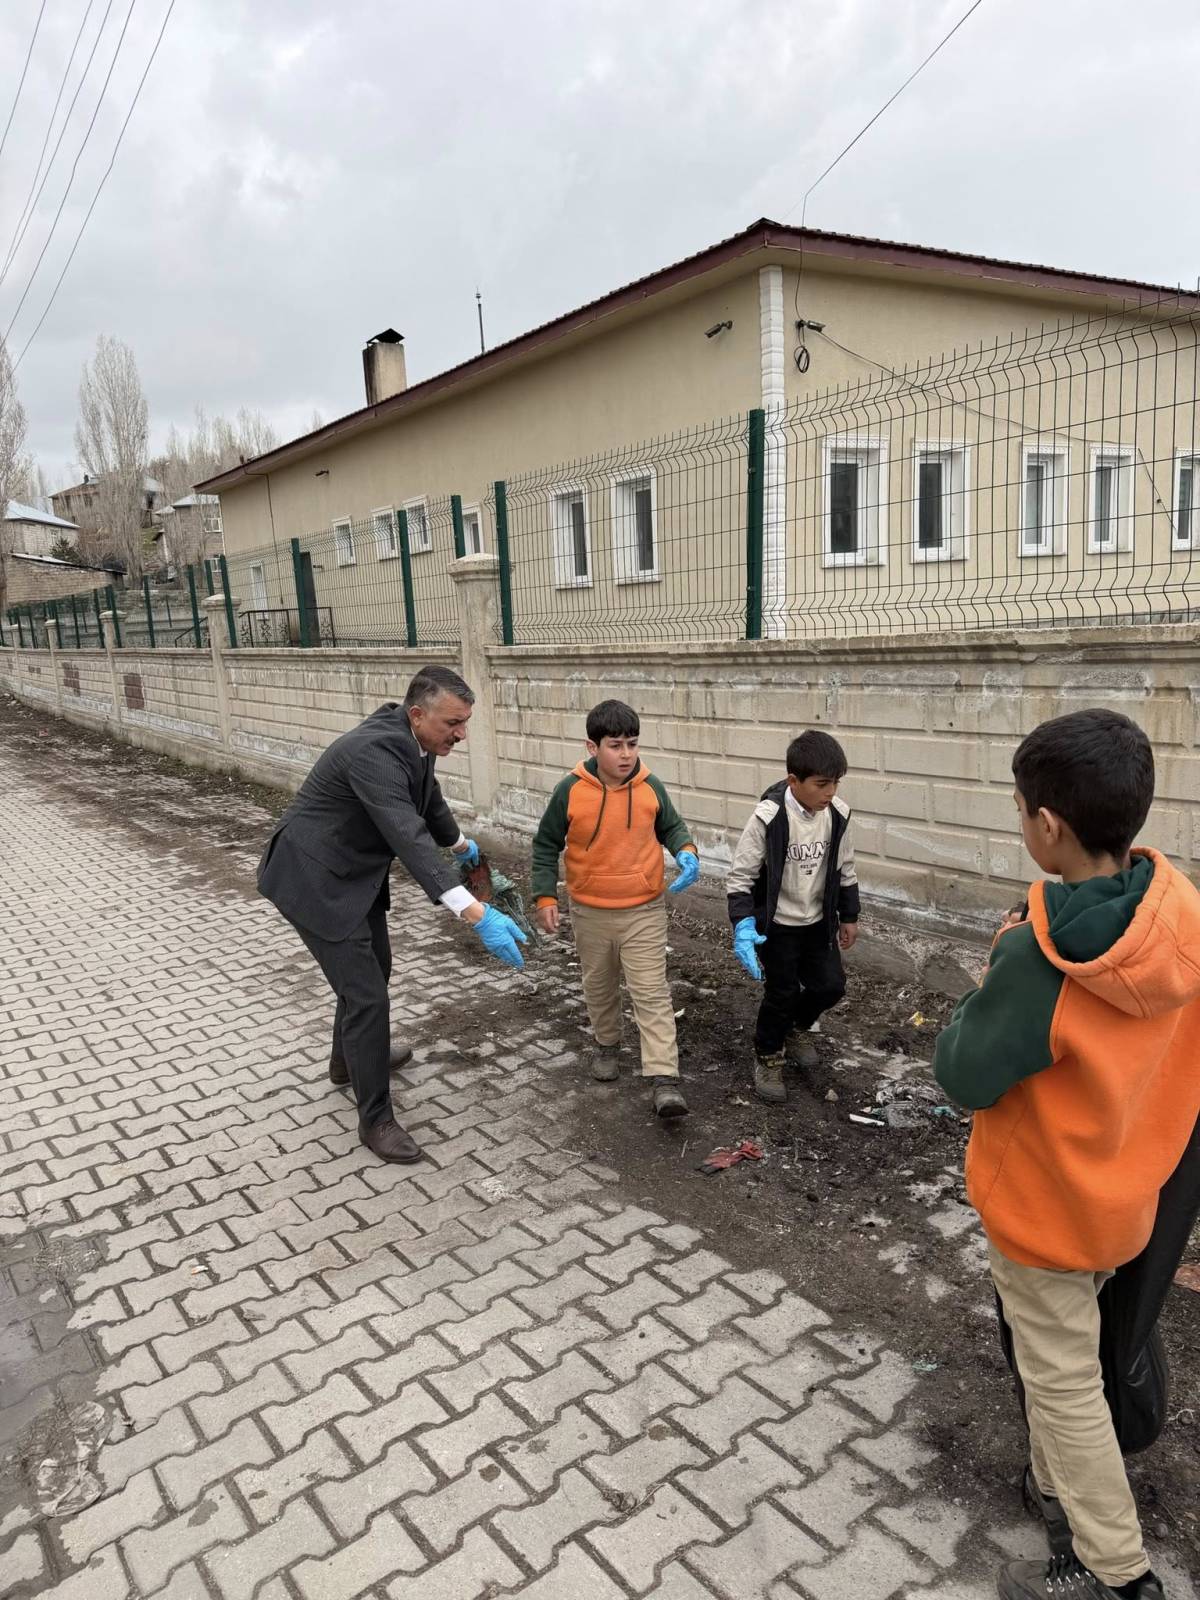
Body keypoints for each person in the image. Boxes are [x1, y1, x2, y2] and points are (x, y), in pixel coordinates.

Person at [933, 708, 1200, 1600]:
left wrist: (996, 968)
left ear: (1047, 825)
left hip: (1047, 1213)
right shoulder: (1180, 921)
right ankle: (1054, 1498)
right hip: (1132, 1198)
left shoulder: (1038, 961)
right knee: (1070, 1358)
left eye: (1020, 810)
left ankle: (1115, 1574)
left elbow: (965, 1074)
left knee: (1062, 1383)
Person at [257, 664, 527, 1164]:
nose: (461, 734)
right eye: (453, 723)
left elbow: (428, 800)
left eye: (465, 722)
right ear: (418, 714)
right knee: (366, 995)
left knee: (374, 972)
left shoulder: (415, 739)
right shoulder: (375, 752)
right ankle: (376, 1119)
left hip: (352, 876)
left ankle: (348, 1062)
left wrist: (461, 845)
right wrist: (475, 912)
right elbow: (407, 834)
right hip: (312, 878)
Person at [531, 699, 699, 1119]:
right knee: (599, 985)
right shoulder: (570, 791)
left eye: (632, 744)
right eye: (615, 745)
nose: (626, 754)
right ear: (593, 747)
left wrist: (686, 850)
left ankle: (664, 1078)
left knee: (651, 990)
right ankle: (607, 1044)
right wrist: (545, 896)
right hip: (590, 911)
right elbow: (546, 844)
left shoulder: (650, 786)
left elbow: (672, 826)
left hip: (643, 909)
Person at [726, 729, 859, 1104]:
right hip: (778, 928)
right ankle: (768, 1054)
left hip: (817, 923)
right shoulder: (769, 818)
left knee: (830, 986)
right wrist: (743, 924)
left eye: (835, 782)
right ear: (793, 781)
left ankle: (796, 1028)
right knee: (781, 993)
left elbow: (845, 868)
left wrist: (849, 915)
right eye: (822, 784)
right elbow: (741, 877)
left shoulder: (838, 814)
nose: (830, 792)